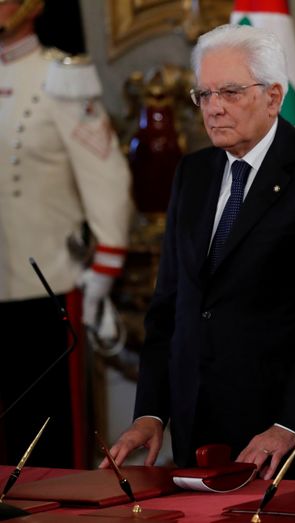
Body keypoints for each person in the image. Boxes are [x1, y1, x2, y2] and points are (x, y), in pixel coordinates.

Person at [102, 24, 295, 481]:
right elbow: (169, 307)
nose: (214, 108)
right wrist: (151, 412)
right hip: (195, 434)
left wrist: (288, 426)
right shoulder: (193, 172)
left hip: (278, 444)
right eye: (203, 94)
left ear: (274, 96)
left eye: (229, 91)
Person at [0, 0, 132, 468]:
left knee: (48, 442)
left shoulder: (61, 79)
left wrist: (103, 269)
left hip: (48, 286)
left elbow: (106, 177)